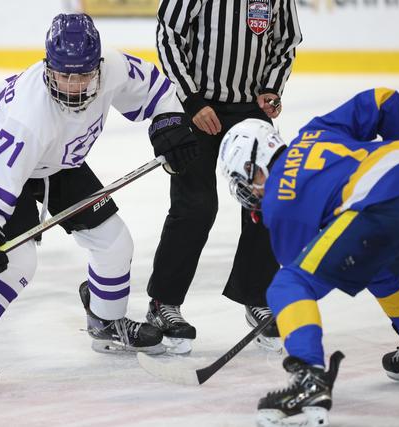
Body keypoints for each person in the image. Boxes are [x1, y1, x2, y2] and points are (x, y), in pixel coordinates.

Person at [0, 13, 199, 395]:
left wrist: (169, 124)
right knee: (17, 261)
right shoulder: (30, 117)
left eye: (83, 75)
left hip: (60, 160)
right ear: (49, 67)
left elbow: (157, 90)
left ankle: (106, 322)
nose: (74, 85)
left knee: (114, 241)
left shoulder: (114, 68)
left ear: (98, 66)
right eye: (64, 75)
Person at [218, 87, 399, 426]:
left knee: (287, 286)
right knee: (382, 269)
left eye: (244, 180)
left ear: (254, 165)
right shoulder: (314, 131)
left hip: (378, 207)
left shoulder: (277, 201)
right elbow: (383, 99)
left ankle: (309, 383)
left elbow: (301, 277)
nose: (248, 192)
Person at [147, 0, 302, 354]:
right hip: (197, 104)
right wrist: (190, 100)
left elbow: (286, 39)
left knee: (268, 199)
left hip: (250, 106)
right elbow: (169, 33)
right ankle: (163, 302)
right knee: (196, 206)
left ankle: (258, 295)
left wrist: (271, 86)